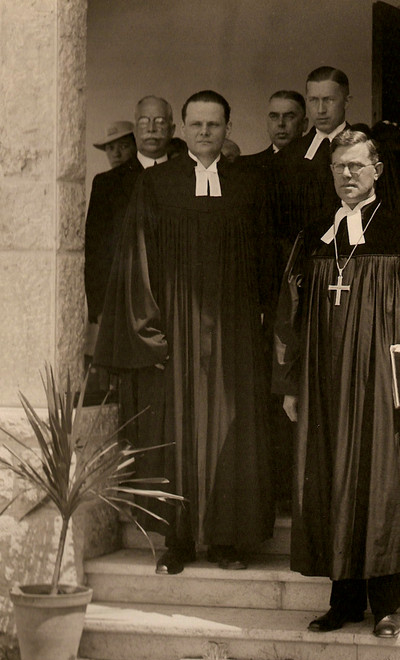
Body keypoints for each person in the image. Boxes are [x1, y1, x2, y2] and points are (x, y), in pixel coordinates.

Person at [273, 130, 400, 639]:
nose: (347, 175)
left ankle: (387, 605)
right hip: (325, 385)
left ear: (377, 171)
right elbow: (290, 315)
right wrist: (290, 384)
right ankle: (343, 601)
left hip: (380, 383)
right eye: (339, 167)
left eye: (357, 166)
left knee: (383, 483)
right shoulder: (314, 237)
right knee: (331, 479)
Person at [95, 90, 275, 575]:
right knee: (176, 432)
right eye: (195, 124)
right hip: (177, 331)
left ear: (227, 127)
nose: (204, 133)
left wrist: (264, 320)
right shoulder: (157, 186)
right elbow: (137, 261)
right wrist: (148, 330)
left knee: (228, 435)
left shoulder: (248, 185)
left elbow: (267, 263)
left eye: (213, 125)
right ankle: (177, 540)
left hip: (234, 333)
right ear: (183, 128)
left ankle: (226, 540)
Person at [84, 98, 176, 375]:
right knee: (129, 385)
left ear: (172, 129)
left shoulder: (185, 176)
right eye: (145, 122)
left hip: (175, 301)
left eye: (159, 122)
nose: (152, 129)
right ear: (136, 130)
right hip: (123, 304)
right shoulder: (108, 183)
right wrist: (99, 308)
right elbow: (96, 250)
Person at [276, 67, 351, 244]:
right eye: (313, 100)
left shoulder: (366, 150)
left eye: (329, 100)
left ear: (346, 101)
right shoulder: (289, 155)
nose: (320, 109)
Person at [246, 90, 308, 160]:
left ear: (304, 124)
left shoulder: (319, 163)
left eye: (289, 117)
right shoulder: (249, 165)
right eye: (274, 117)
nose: (280, 123)